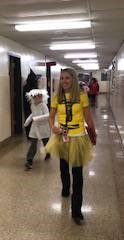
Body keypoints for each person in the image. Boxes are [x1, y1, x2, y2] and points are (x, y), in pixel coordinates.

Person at [45, 68, 97, 225]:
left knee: (78, 174)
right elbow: (51, 116)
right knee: (63, 166)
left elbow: (88, 118)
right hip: (62, 137)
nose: (64, 81)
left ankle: (76, 211)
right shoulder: (57, 97)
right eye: (62, 78)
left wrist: (93, 134)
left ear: (73, 79)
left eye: (67, 78)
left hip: (78, 137)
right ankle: (65, 188)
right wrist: (52, 127)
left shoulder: (82, 96)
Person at [24, 89, 51, 171]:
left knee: (45, 142)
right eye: (34, 97)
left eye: (39, 96)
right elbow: (33, 114)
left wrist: (36, 118)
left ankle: (48, 153)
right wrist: (27, 121)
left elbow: (47, 116)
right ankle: (29, 160)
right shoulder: (32, 105)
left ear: (42, 97)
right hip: (35, 127)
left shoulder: (43, 105)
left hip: (43, 127)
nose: (36, 98)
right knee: (33, 144)